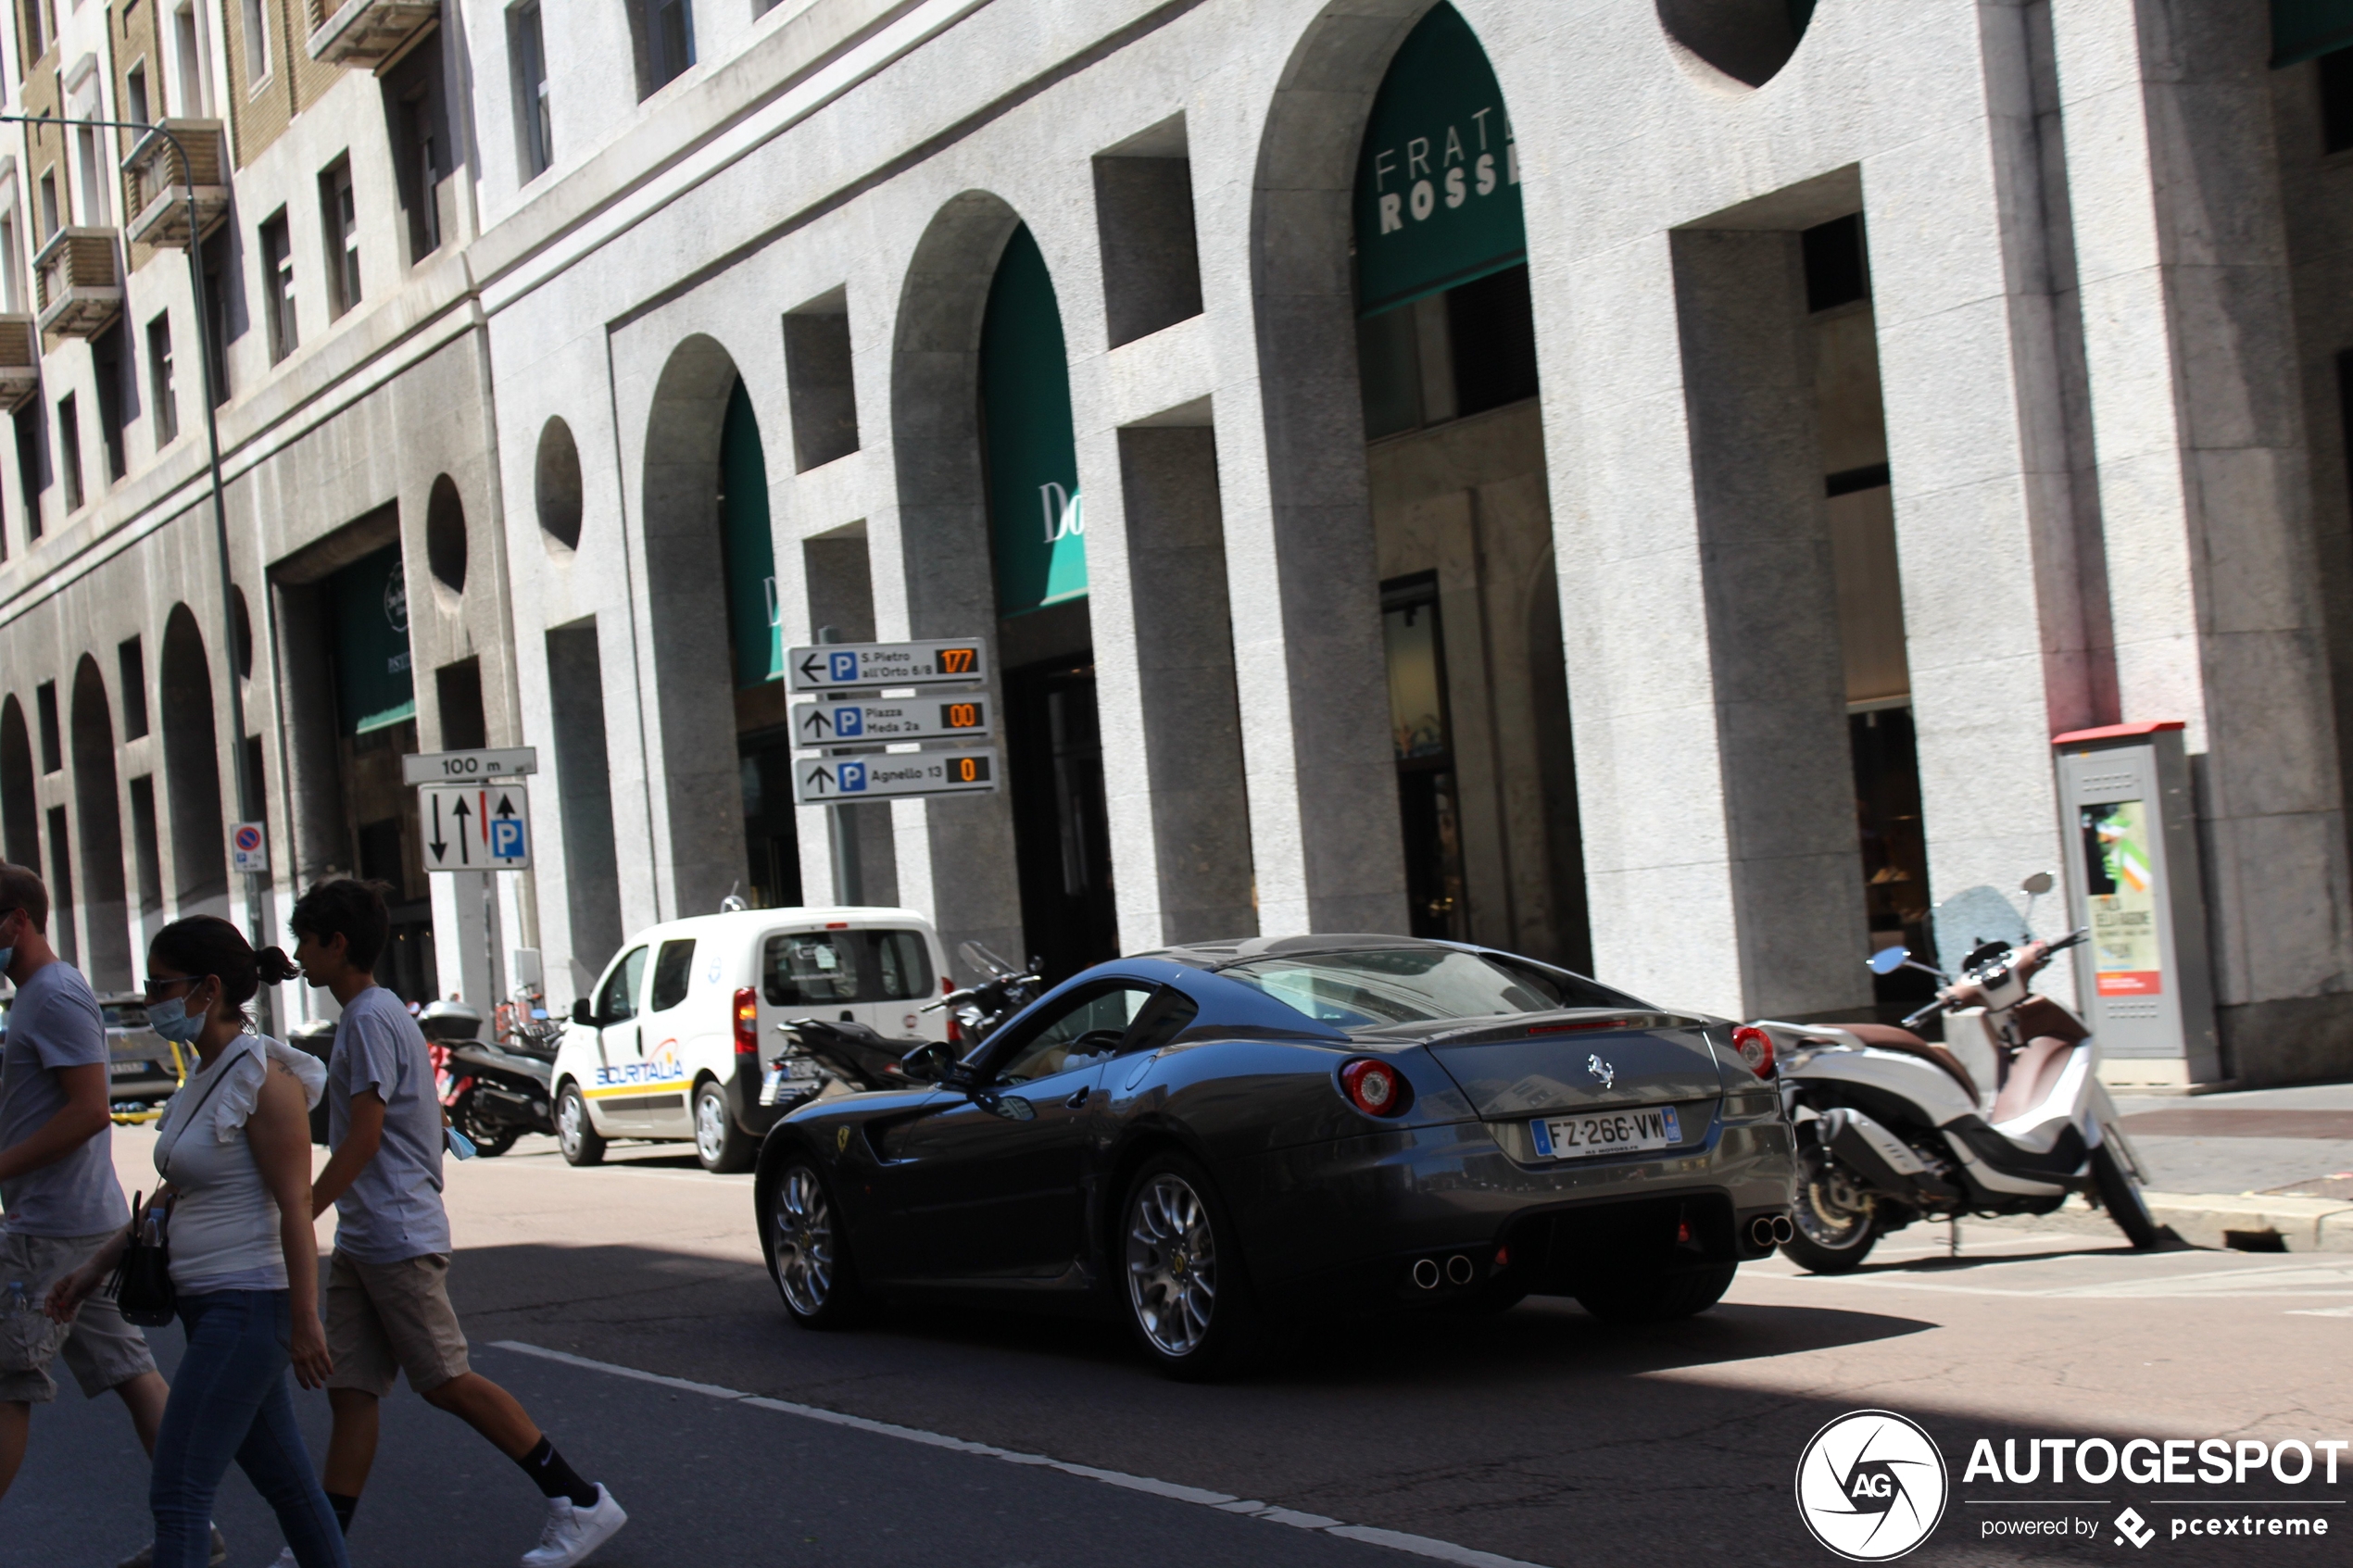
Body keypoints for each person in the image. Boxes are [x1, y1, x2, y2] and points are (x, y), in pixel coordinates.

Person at [291, 878, 624, 1568]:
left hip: (395, 1234)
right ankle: (320, 1550)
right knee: (352, 1395)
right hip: (366, 1235)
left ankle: (579, 1497)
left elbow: (365, 1134)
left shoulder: (371, 1017)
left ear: (337, 943)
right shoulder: (372, 1015)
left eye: (306, 940)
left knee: (444, 1378)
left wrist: (300, 1211)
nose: (299, 955)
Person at [47, 916, 347, 1568]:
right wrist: (94, 1268)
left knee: (179, 1489)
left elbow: (296, 1204)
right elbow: (169, 1191)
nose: (151, 999)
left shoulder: (267, 1078)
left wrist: (305, 1318)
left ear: (207, 989)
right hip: (212, 1305)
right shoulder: (206, 1072)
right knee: (291, 1487)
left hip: (248, 1307)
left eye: (161, 985)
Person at [0, 862, 194, 1556]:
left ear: (17, 920)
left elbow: (88, 1111)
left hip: (52, 1226)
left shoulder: (52, 994)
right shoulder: (36, 994)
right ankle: (193, 1529)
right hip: (74, 1221)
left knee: (8, 1379)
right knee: (132, 1373)